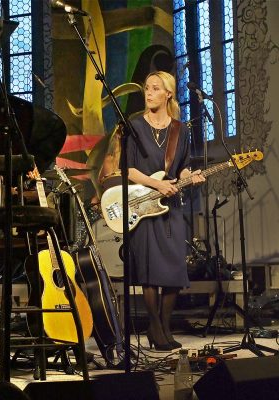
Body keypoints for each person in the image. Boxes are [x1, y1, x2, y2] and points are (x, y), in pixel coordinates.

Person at [126, 71, 205, 351]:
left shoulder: (180, 129)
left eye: (155, 88)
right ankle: (155, 327)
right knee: (149, 271)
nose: (149, 93)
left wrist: (189, 176)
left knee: (173, 269)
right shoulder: (134, 126)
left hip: (170, 205)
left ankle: (164, 326)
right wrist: (156, 184)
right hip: (145, 205)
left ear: (168, 94)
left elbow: (182, 164)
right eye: (147, 88)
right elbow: (129, 169)